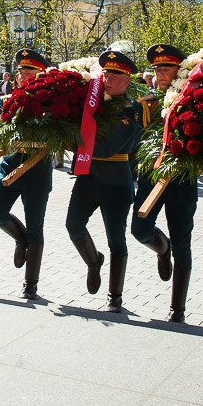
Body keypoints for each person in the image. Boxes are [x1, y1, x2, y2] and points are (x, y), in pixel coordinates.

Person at [66, 50, 142, 313]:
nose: (108, 78)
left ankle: (115, 296)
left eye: (115, 74)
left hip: (115, 181)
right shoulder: (92, 102)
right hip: (88, 179)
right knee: (73, 226)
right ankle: (93, 261)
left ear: (127, 80)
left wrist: (76, 140)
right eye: (105, 73)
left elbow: (110, 146)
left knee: (116, 240)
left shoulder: (132, 109)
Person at [131, 43, 198, 323]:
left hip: (182, 179)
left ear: (179, 71)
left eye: (166, 67)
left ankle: (177, 308)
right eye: (156, 67)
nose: (159, 72)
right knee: (139, 229)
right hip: (151, 177)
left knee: (183, 242)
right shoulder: (148, 102)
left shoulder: (194, 100)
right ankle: (162, 249)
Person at [0, 48, 53, 300]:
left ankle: (30, 284)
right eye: (21, 71)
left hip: (37, 171)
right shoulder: (6, 100)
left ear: (41, 75)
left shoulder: (51, 103)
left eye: (30, 71)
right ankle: (19, 238)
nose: (23, 75)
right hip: (9, 166)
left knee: (36, 228)